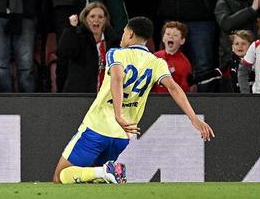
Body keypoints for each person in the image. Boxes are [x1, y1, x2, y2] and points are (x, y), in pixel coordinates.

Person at [53, 16, 214, 184]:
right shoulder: (157, 62)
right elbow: (174, 88)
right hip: (123, 135)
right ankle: (106, 172)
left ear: (130, 34)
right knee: (93, 177)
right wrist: (193, 118)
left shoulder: (116, 53)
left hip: (97, 126)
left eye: (124, 32)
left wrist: (118, 114)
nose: (122, 36)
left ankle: (105, 171)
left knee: (60, 176)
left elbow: (117, 78)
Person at [56, 2, 121, 93]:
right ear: (85, 19)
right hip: (81, 94)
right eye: (92, 16)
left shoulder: (113, 40)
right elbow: (64, 53)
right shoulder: (78, 37)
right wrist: (71, 29)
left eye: (100, 17)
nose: (96, 20)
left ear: (105, 20)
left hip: (106, 94)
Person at [152, 21, 192, 93]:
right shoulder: (155, 57)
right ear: (163, 38)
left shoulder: (184, 64)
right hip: (154, 97)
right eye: (168, 34)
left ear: (182, 41)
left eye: (175, 35)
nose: (170, 37)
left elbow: (185, 90)